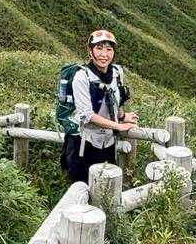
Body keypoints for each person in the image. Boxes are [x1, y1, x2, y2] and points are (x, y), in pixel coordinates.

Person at [55, 29, 138, 183]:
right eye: (99, 48)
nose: (104, 54)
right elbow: (88, 115)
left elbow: (115, 99)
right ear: (90, 51)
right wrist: (118, 126)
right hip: (83, 144)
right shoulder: (82, 77)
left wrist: (122, 116)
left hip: (108, 143)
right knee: (81, 189)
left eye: (109, 49)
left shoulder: (117, 73)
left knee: (106, 187)